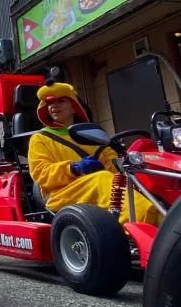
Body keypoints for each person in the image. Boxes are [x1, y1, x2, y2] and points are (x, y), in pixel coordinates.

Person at [28, 81, 161, 226]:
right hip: (61, 194)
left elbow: (112, 164)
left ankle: (169, 219)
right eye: (50, 103)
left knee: (137, 180)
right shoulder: (40, 138)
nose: (54, 106)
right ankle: (144, 223)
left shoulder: (91, 134)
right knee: (101, 178)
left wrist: (128, 168)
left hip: (95, 188)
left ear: (74, 107)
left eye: (61, 101)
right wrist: (74, 168)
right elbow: (40, 173)